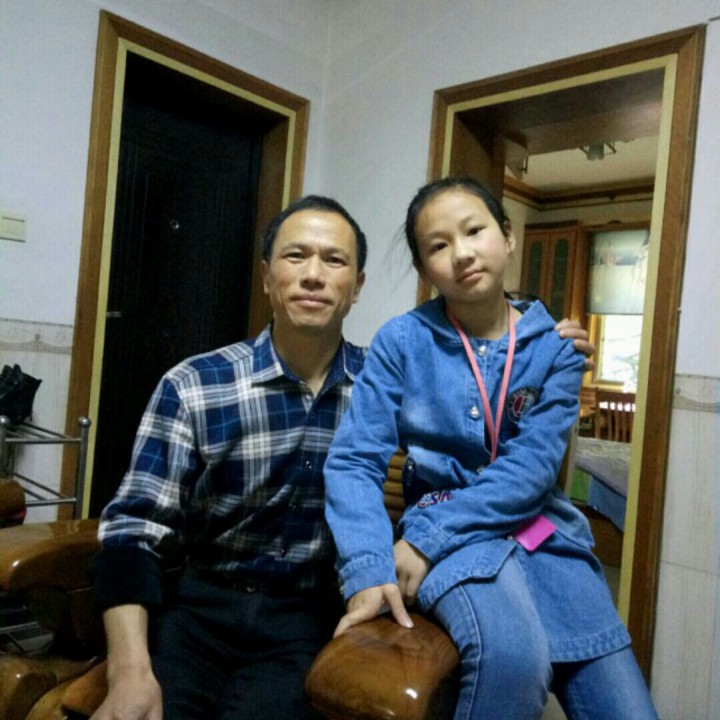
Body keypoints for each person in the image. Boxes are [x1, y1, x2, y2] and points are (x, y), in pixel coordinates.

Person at [90, 193, 595, 720]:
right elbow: (131, 531)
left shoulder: (389, 381)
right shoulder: (195, 385)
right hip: (198, 608)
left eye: (334, 260)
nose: (313, 275)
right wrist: (128, 671)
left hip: (309, 617)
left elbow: (483, 393)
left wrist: (547, 341)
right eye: (295, 256)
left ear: (357, 287)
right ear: (265, 277)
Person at [323, 178, 658, 720]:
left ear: (507, 236)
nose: (461, 253)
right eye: (438, 245)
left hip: (544, 537)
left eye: (474, 230)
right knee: (514, 661)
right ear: (424, 268)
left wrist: (424, 539)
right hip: (451, 543)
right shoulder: (402, 341)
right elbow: (354, 459)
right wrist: (367, 568)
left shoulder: (557, 350)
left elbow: (531, 472)